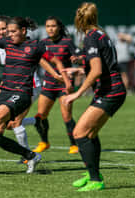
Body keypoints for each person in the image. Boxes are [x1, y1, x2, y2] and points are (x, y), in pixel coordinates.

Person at [0, 16, 69, 173]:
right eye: (7, 31)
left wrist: (61, 77)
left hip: (22, 92)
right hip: (5, 91)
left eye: (12, 31)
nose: (9, 34)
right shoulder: (7, 43)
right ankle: (30, 155)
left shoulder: (35, 46)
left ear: (23, 31)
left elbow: (53, 60)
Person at [63, 2, 126, 191]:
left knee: (79, 133)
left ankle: (95, 179)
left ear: (79, 20)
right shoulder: (101, 34)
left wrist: (77, 93)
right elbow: (103, 65)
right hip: (112, 88)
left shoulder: (90, 37)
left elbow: (97, 70)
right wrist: (80, 67)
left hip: (110, 90)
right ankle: (93, 174)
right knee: (90, 133)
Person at [0, 16, 44, 164]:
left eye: (4, 29)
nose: (2, 32)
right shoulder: (3, 45)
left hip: (30, 86)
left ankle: (27, 157)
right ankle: (36, 121)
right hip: (15, 87)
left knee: (15, 123)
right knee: (10, 124)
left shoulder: (21, 42)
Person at [30, 16, 78, 154]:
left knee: (66, 116)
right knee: (40, 115)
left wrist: (77, 60)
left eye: (53, 26)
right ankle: (44, 142)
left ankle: (74, 145)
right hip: (49, 84)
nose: (50, 29)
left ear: (59, 27)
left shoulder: (67, 42)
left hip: (64, 85)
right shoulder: (42, 43)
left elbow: (78, 57)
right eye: (48, 26)